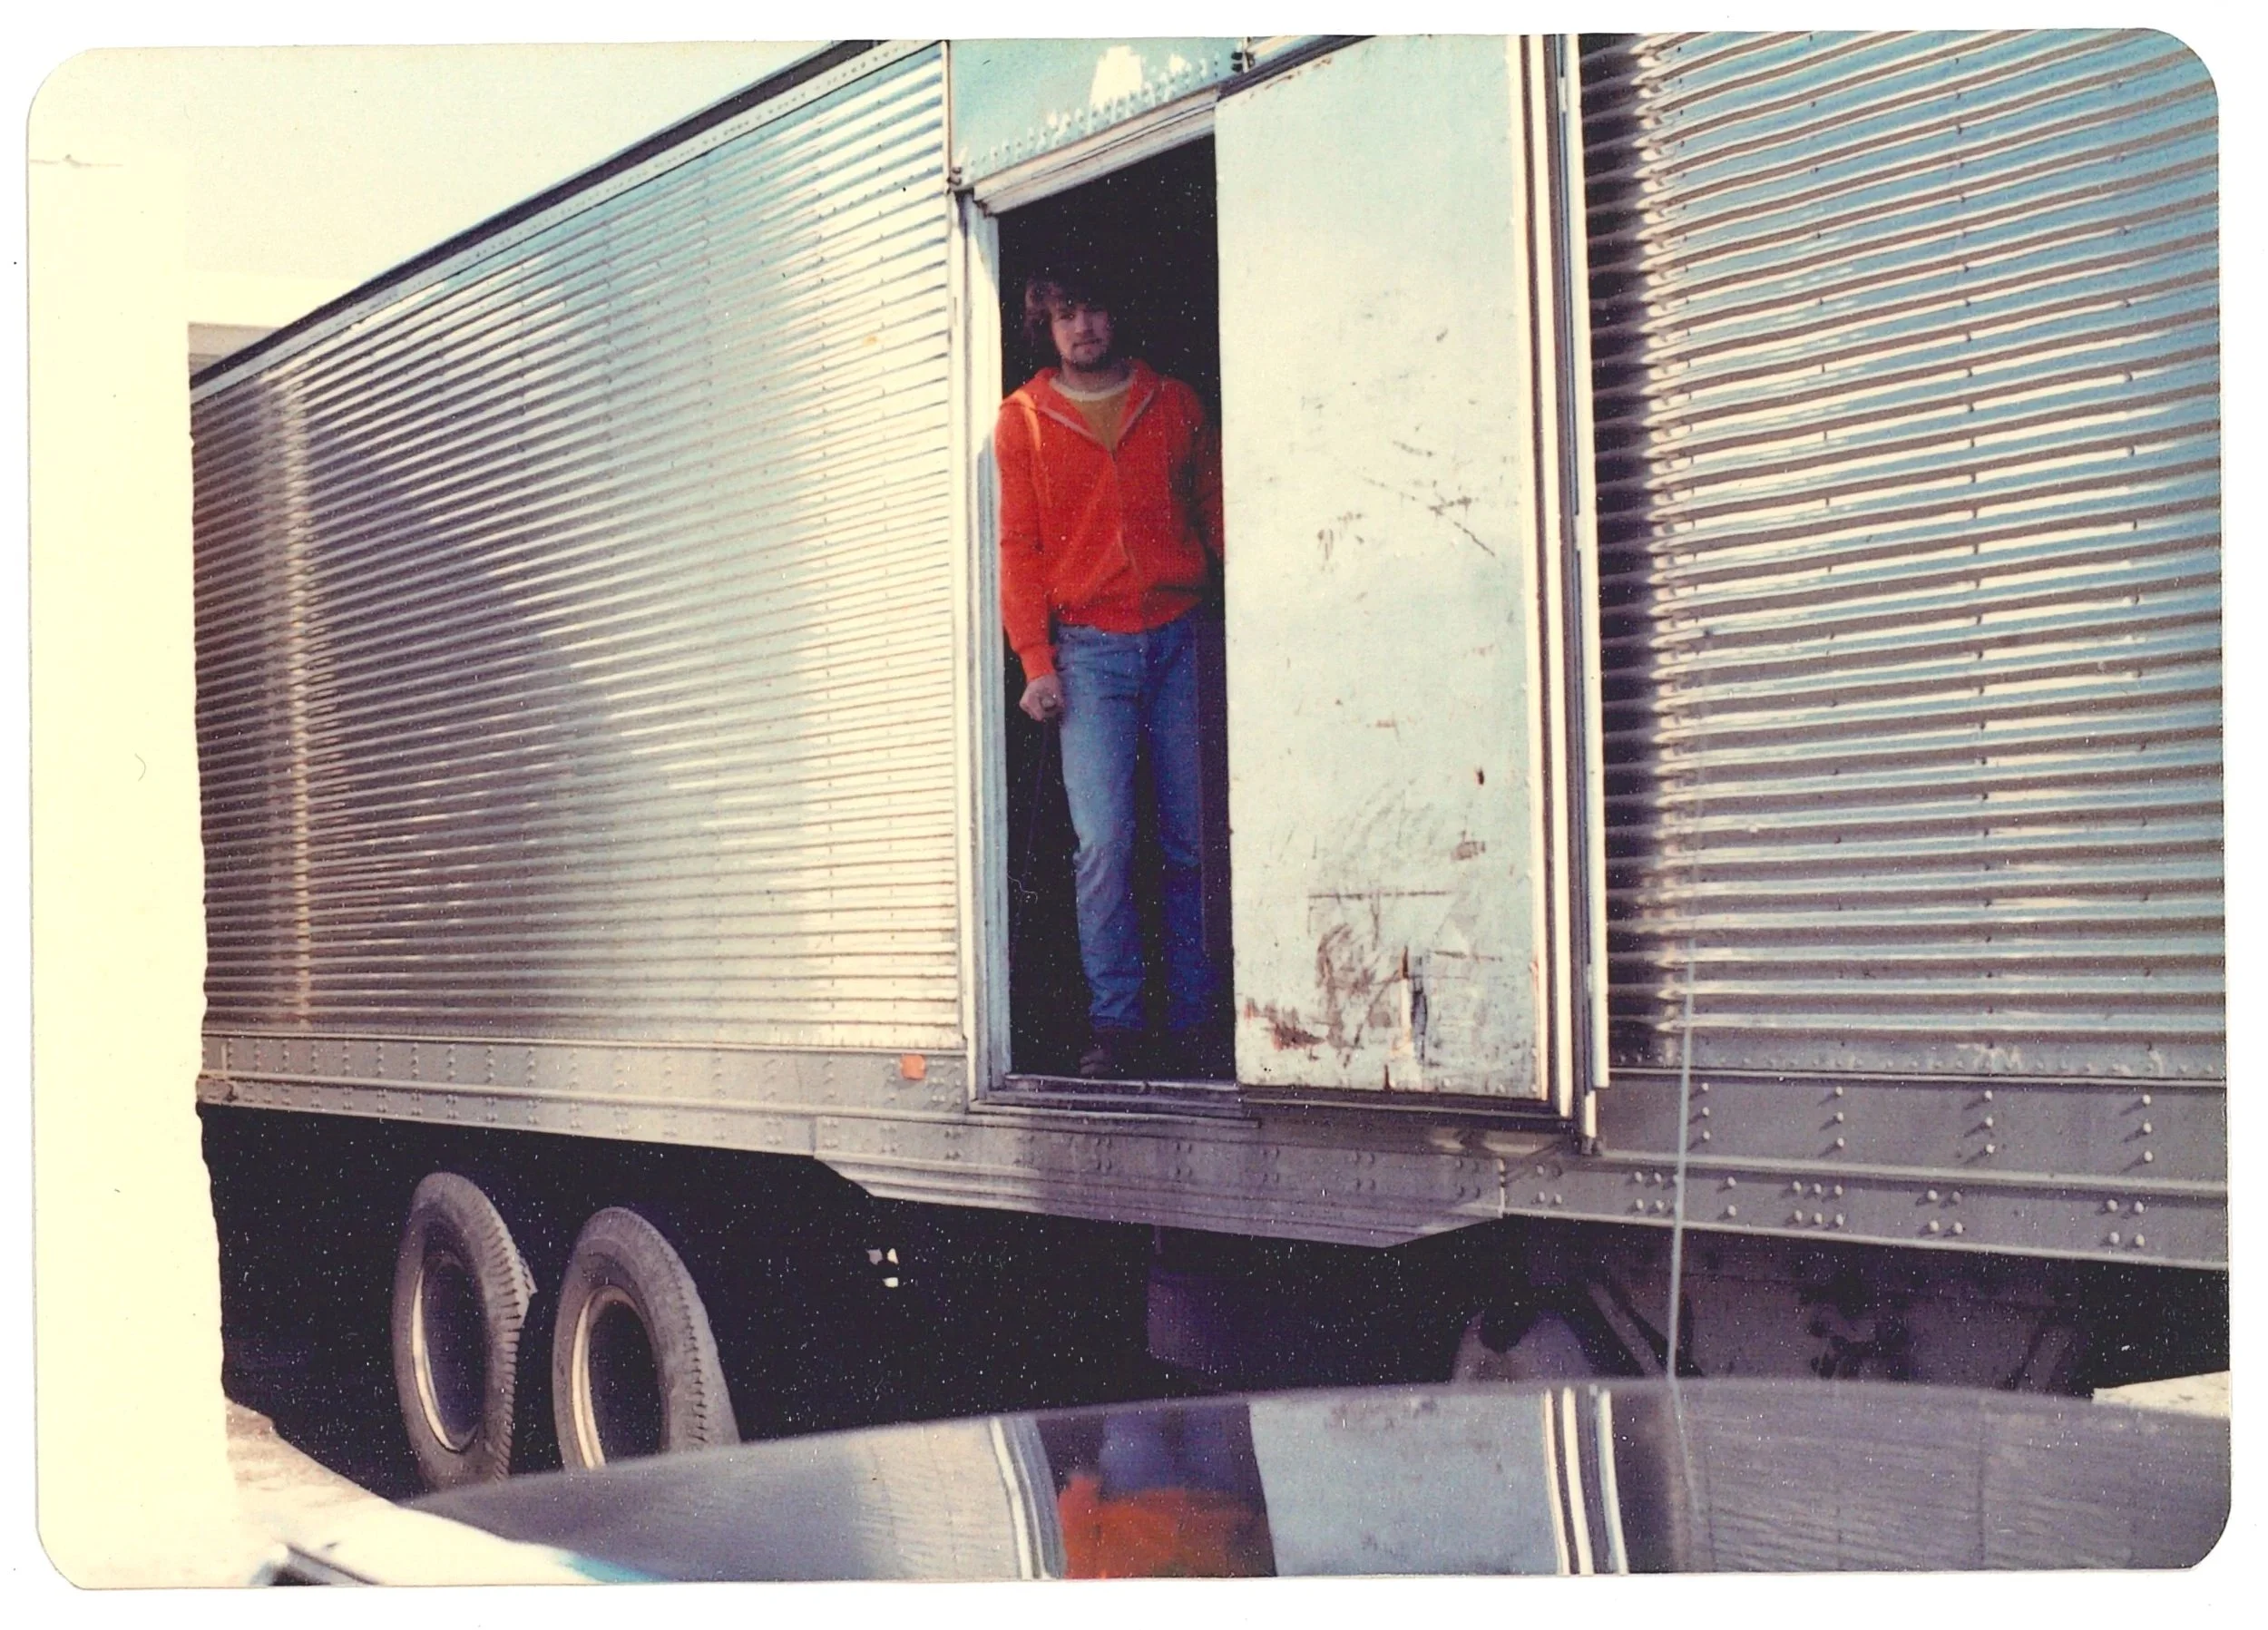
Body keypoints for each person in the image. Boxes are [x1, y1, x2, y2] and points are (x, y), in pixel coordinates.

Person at [994, 263, 1225, 1080]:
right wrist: (1035, 661)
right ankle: (1119, 1027)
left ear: (1115, 312)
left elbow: (1218, 511)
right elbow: (1018, 550)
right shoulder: (1021, 421)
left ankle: (1199, 1020)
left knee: (1193, 841)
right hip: (1088, 651)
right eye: (1063, 313)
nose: (1082, 325)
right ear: (1046, 326)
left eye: (1093, 305)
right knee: (1104, 844)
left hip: (1178, 637)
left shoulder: (1176, 403)